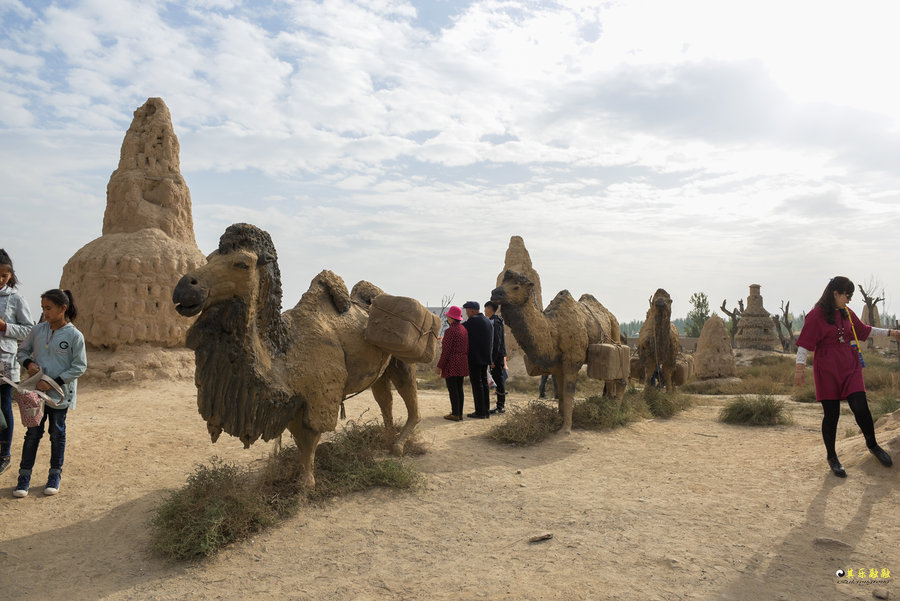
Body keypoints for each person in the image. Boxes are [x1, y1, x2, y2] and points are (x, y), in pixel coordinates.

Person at [794, 276, 897, 478]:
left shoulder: (847, 314)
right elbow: (804, 345)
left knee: (860, 406)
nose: (849, 300)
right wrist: (799, 370)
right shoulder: (815, 316)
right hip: (827, 371)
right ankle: (832, 457)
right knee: (832, 415)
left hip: (850, 367)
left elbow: (865, 330)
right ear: (835, 294)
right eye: (847, 296)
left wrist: (892, 333)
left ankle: (873, 445)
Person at [13, 289, 87, 497]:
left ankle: (54, 475)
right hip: (36, 395)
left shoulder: (74, 335)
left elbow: (79, 366)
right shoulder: (37, 330)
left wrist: (54, 383)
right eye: (43, 308)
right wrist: (29, 363)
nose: (45, 313)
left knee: (57, 434)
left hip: (59, 396)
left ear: (63, 309)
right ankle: (24, 478)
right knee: (32, 434)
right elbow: (22, 352)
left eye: (49, 308)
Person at [0, 249, 34, 476]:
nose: (1, 279)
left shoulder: (15, 298)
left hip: (4, 363)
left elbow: (29, 329)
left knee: (4, 407)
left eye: (5, 275)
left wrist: (5, 327)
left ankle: (4, 454)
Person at [435, 306, 469, 421]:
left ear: (451, 318)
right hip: (462, 361)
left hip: (452, 362)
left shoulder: (450, 331)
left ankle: (455, 413)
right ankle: (459, 413)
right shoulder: (463, 329)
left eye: (448, 316)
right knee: (459, 388)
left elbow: (446, 351)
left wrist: (440, 366)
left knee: (453, 389)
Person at [462, 300, 493, 419]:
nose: (467, 312)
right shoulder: (487, 320)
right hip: (485, 358)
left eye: (468, 310)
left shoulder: (473, 321)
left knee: (477, 384)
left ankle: (480, 412)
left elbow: (461, 329)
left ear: (473, 310)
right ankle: (486, 410)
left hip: (475, 358)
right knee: (484, 383)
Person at [484, 301, 508, 414]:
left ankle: (501, 406)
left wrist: (492, 358)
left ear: (490, 308)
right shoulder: (493, 320)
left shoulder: (495, 321)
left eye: (485, 308)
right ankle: (499, 405)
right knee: (498, 380)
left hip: (496, 357)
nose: (484, 311)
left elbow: (496, 342)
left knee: (499, 380)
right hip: (496, 356)